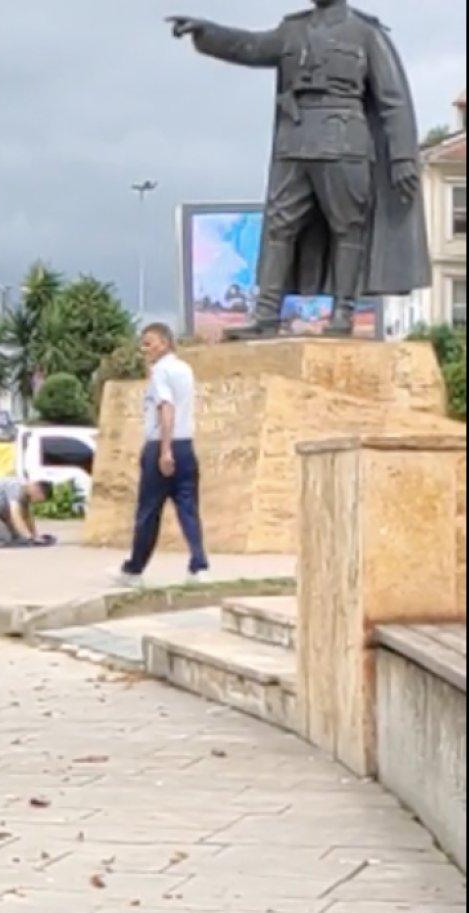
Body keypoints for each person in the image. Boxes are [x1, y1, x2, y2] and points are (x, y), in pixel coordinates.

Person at [168, 0, 430, 339]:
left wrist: (403, 158)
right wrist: (207, 33)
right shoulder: (292, 29)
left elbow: (393, 100)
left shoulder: (366, 33)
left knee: (348, 229)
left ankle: (342, 314)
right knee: (280, 225)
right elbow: (251, 46)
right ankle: (265, 315)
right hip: (295, 141)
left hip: (344, 142)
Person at [118, 324, 209, 586]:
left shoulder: (160, 371)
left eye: (150, 343)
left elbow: (165, 408)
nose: (145, 349)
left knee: (148, 511)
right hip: (186, 444)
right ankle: (199, 565)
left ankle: (134, 569)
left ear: (165, 343)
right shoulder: (185, 369)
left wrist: (164, 450)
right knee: (188, 508)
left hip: (162, 444)